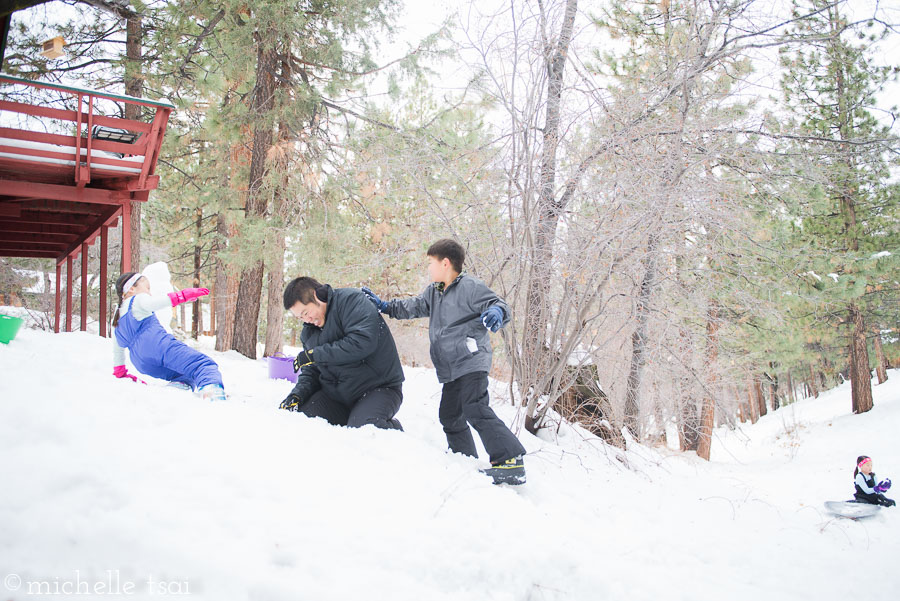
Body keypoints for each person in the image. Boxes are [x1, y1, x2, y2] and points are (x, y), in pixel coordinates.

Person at [361, 239, 527, 485]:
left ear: (445, 263)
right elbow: (413, 307)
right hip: (451, 368)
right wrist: (385, 306)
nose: (428, 268)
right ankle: (465, 459)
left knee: (475, 407)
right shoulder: (434, 292)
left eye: (431, 262)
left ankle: (511, 461)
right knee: (449, 415)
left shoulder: (470, 287)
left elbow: (498, 304)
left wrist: (496, 313)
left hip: (470, 360)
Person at [279, 277, 404, 431]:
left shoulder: (351, 301)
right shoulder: (308, 333)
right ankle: (354, 418)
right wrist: (297, 395)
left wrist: (315, 354)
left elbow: (362, 342)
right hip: (336, 398)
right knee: (302, 422)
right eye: (301, 317)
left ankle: (392, 430)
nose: (307, 319)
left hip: (378, 389)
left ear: (317, 295)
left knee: (365, 430)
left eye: (306, 312)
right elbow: (312, 371)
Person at [112, 271, 226, 401]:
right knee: (202, 364)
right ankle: (213, 393)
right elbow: (152, 303)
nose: (149, 293)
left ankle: (177, 388)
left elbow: (117, 349)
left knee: (185, 372)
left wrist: (120, 371)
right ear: (131, 289)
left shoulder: (118, 317)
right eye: (147, 288)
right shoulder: (137, 299)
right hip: (157, 345)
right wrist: (183, 295)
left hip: (141, 362)